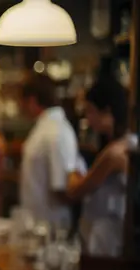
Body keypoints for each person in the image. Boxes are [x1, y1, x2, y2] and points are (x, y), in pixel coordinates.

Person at [67, 77, 135, 257]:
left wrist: (73, 168)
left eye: (90, 111)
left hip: (107, 242)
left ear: (107, 111)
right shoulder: (128, 144)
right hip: (110, 239)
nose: (88, 119)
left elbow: (76, 190)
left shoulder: (114, 153)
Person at [18, 74, 79, 227]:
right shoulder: (46, 127)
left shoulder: (57, 130)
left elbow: (61, 187)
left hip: (52, 227)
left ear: (31, 101)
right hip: (37, 223)